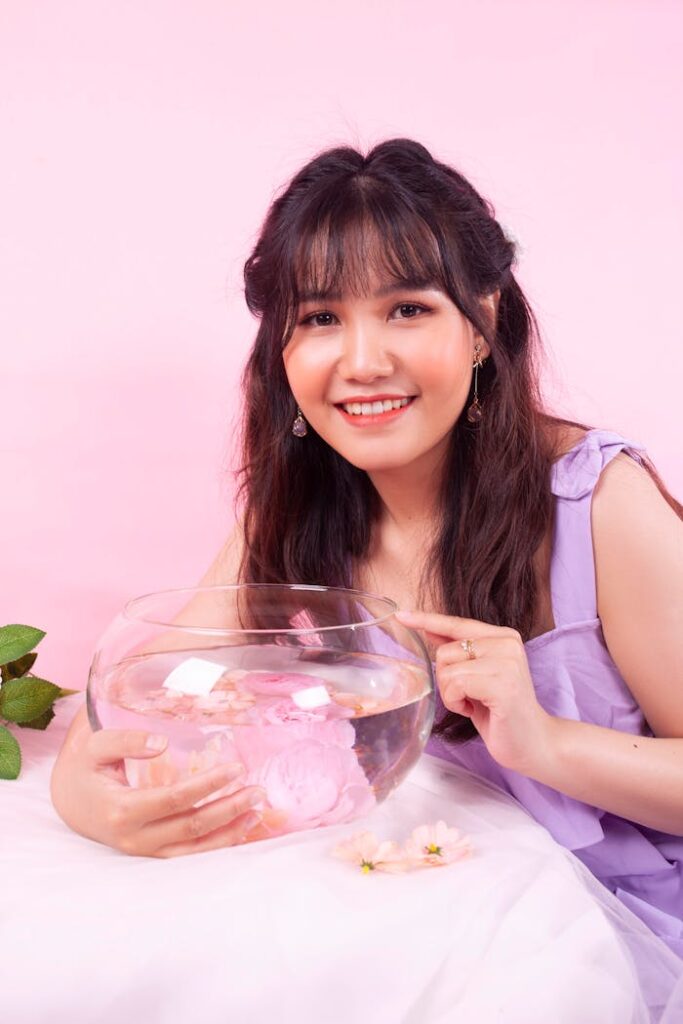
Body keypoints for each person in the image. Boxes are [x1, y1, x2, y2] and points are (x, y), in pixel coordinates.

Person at [51, 138, 683, 954]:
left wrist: (547, 742)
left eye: (407, 309)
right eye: (319, 319)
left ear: (483, 323)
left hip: (604, 927)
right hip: (396, 909)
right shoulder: (290, 514)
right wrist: (81, 791)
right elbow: (153, 677)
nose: (362, 361)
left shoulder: (595, 501)